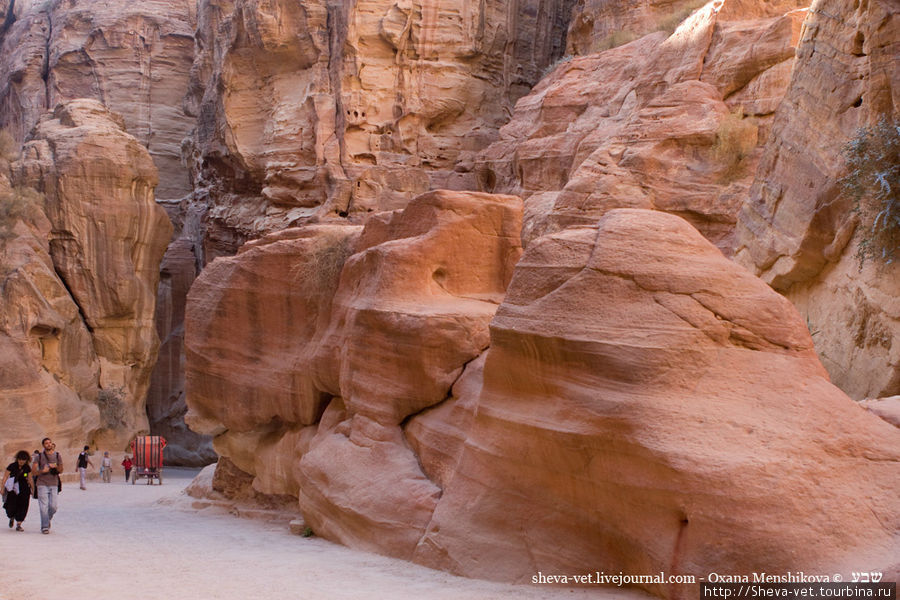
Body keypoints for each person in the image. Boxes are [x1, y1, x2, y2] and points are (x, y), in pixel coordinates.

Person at [34, 437, 63, 534]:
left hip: (54, 483)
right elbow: (33, 472)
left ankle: (47, 519)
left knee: (53, 506)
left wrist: (56, 467)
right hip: (42, 483)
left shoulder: (57, 455)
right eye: (46, 443)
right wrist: (43, 471)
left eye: (50, 443)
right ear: (43, 445)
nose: (49, 444)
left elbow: (61, 470)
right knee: (43, 507)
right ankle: (45, 527)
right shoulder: (39, 456)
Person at [2, 451, 33, 531]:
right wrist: (2, 488)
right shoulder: (12, 466)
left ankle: (19, 523)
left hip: (24, 488)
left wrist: (33, 489)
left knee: (23, 505)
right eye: (20, 459)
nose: (21, 461)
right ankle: (11, 517)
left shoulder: (27, 467)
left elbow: (30, 478)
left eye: (23, 460)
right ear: (17, 459)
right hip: (13, 489)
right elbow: (5, 477)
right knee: (11, 506)